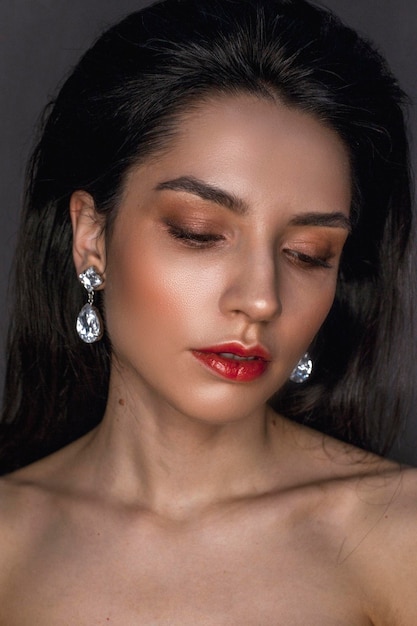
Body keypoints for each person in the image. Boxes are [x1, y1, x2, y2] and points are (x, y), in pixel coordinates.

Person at [0, 0, 416, 622]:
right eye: (198, 233)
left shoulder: (397, 536)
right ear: (91, 236)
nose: (261, 299)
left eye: (308, 254)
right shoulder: (9, 546)